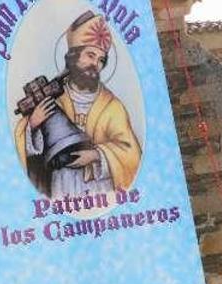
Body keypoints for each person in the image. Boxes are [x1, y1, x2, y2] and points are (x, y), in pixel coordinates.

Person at [14, 10, 142, 198]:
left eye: (101, 60)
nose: (95, 64)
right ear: (74, 56)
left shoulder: (112, 106)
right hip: (61, 187)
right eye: (90, 55)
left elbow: (131, 154)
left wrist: (96, 155)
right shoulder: (54, 95)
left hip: (100, 189)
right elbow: (21, 145)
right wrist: (33, 124)